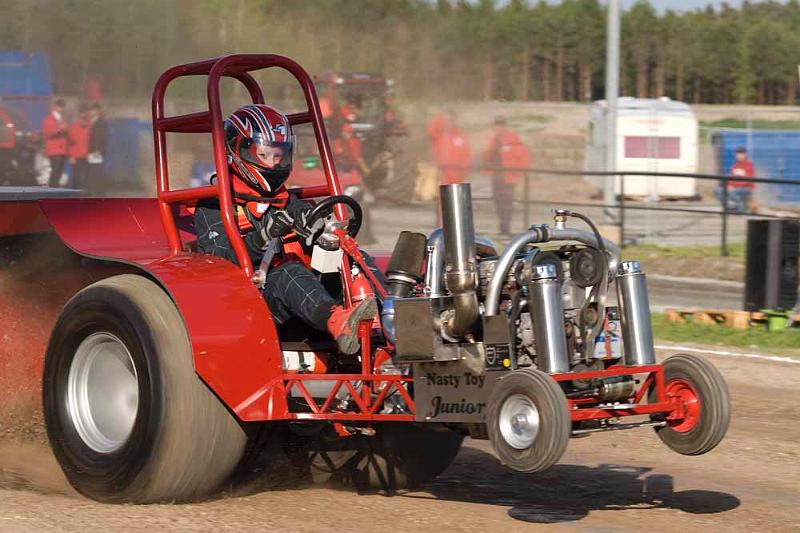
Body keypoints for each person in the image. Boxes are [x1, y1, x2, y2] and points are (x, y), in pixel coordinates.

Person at [193, 104, 377, 354]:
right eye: (266, 155)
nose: (274, 163)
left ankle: (386, 317)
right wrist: (263, 236)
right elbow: (219, 262)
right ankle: (341, 324)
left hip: (300, 304)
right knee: (289, 272)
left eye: (279, 155)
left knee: (353, 257)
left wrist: (321, 231)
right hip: (246, 305)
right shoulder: (214, 205)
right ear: (239, 151)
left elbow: (308, 222)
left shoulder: (286, 199)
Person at [483, 117, 531, 235]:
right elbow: (488, 156)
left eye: (499, 126)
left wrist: (518, 174)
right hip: (496, 175)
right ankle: (502, 224)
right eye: (495, 126)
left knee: (507, 202)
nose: (497, 128)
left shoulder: (513, 139)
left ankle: (505, 226)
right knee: (497, 200)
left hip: (508, 177)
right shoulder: (493, 140)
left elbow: (523, 157)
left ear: (504, 127)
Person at [426, 112, 471, 186]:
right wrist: (440, 118)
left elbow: (466, 153)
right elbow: (430, 131)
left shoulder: (460, 136)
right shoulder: (438, 135)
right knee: (443, 194)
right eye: (445, 121)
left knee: (456, 194)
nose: (448, 123)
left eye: (450, 120)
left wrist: (465, 168)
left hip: (457, 171)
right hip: (442, 171)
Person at [719, 146, 757, 213]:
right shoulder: (735, 165)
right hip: (735, 188)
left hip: (746, 188)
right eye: (737, 154)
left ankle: (741, 208)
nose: (739, 156)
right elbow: (731, 177)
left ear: (745, 155)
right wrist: (729, 185)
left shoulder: (749, 165)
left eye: (741, 154)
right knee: (719, 191)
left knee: (732, 192)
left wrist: (734, 187)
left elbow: (747, 180)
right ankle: (729, 207)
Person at [42, 99, 68, 187]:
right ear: (55, 107)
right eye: (59, 106)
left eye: (62, 106)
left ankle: (55, 188)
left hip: (62, 150)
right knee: (55, 171)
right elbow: (48, 133)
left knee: (59, 171)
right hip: (54, 150)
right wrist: (59, 129)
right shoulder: (49, 119)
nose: (61, 108)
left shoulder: (62, 119)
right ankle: (51, 190)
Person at [67, 106, 91, 189]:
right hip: (76, 156)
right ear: (79, 117)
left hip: (87, 156)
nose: (83, 119)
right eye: (81, 117)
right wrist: (71, 156)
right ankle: (74, 194)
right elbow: (70, 143)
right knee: (76, 177)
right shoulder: (73, 127)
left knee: (86, 177)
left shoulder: (89, 127)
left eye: (85, 117)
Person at [87, 102, 108, 193]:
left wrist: (99, 149)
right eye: (91, 110)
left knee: (97, 171)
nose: (92, 112)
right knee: (91, 171)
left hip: (96, 151)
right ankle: (93, 190)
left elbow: (103, 137)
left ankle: (98, 191)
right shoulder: (90, 121)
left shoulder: (101, 122)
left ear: (98, 111)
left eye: (94, 110)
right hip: (90, 151)